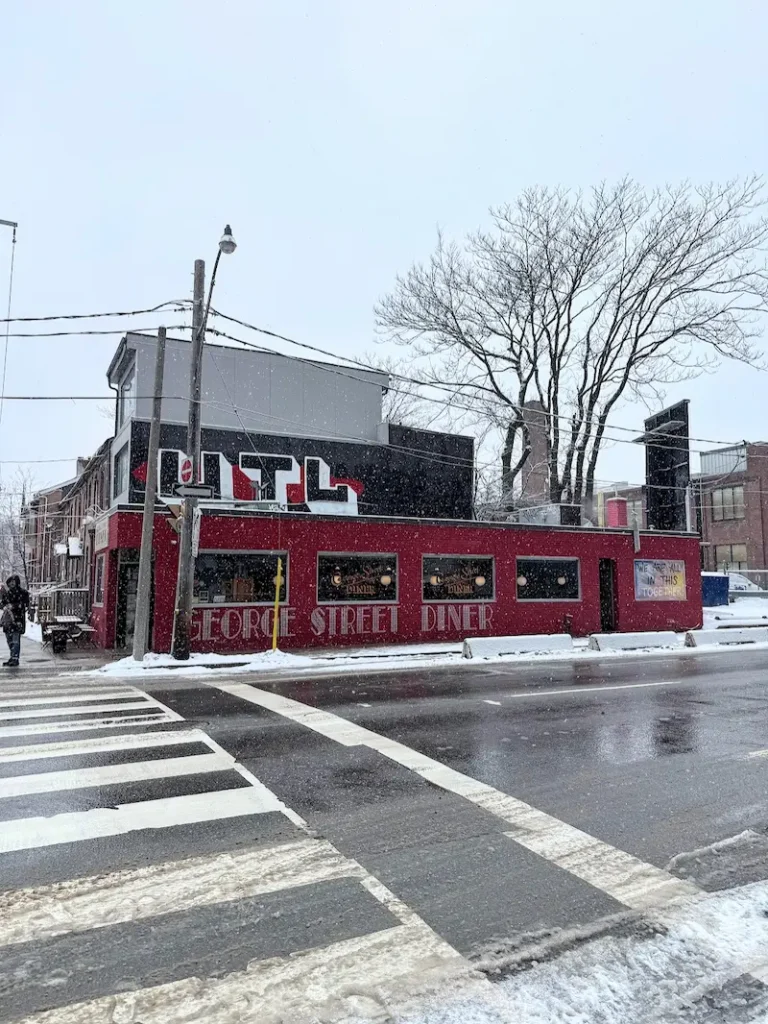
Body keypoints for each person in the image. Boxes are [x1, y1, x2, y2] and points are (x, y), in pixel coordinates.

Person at [0, 575, 29, 667]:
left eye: (14, 581)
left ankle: (15, 658)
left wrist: (14, 606)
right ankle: (12, 656)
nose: (12, 583)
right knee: (9, 640)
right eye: (10, 582)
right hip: (8, 619)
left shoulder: (23, 593)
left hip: (17, 619)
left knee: (15, 639)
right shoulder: (7, 594)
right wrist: (4, 606)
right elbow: (2, 603)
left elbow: (25, 604)